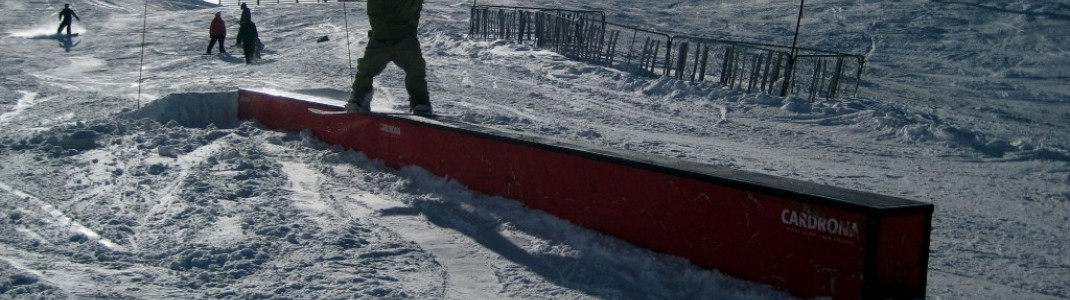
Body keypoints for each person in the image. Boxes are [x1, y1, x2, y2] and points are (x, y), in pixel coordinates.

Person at [347, 0, 431, 116]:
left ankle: (420, 103)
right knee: (366, 69)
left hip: (405, 39)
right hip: (380, 40)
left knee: (416, 68)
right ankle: (360, 98)